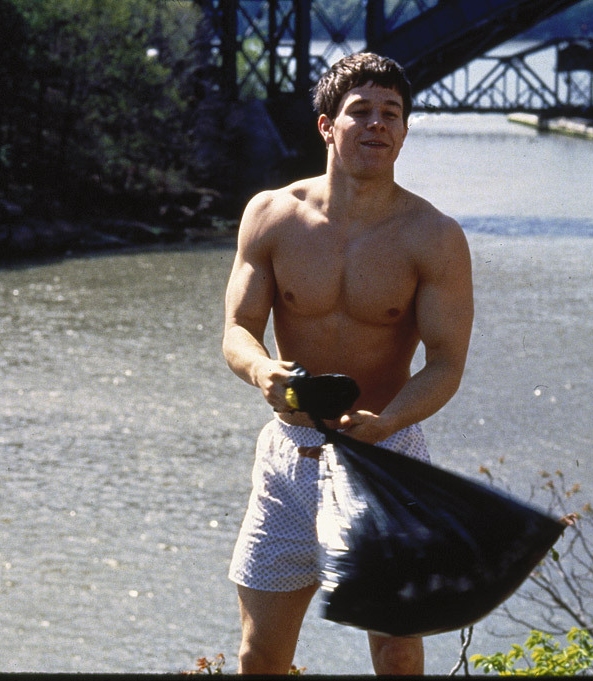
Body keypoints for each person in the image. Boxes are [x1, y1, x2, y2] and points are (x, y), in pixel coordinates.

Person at [221, 52, 474, 675]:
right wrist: (263, 372)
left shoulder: (434, 236)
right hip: (290, 455)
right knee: (261, 654)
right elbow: (238, 330)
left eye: (391, 113)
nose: (377, 124)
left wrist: (388, 423)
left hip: (386, 459)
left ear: (406, 131)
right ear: (326, 126)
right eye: (359, 111)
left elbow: (445, 364)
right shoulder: (272, 215)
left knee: (394, 650)